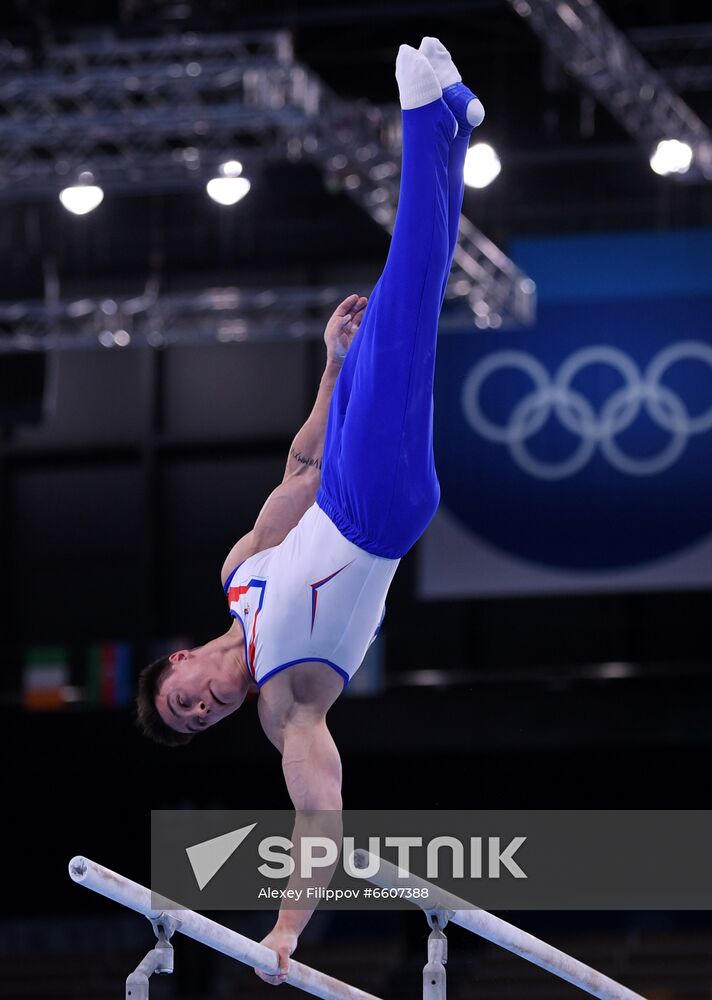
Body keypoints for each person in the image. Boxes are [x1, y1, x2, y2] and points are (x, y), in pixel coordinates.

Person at [136, 37, 483, 983]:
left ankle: (449, 125)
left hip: (339, 484)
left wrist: (329, 369)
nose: (207, 707)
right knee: (407, 302)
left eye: (188, 700)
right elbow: (317, 815)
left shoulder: (238, 574)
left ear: (178, 662)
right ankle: (423, 117)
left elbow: (295, 465)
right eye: (202, 721)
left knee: (401, 311)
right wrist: (287, 929)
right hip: (377, 512)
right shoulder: (290, 705)